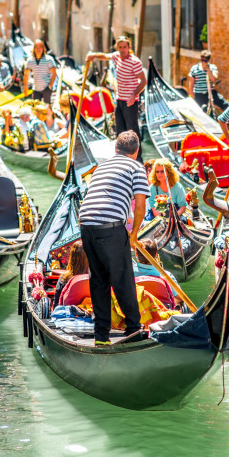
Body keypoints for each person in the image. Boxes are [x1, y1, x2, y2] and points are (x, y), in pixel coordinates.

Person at [78, 130, 150, 345]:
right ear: (136, 151)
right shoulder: (136, 167)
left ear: (115, 149)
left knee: (99, 280)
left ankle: (101, 336)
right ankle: (134, 331)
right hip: (109, 227)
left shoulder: (102, 167)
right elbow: (140, 206)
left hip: (86, 225)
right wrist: (135, 234)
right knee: (123, 279)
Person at [87, 37, 145, 137]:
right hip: (119, 99)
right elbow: (104, 56)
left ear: (129, 47)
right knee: (120, 130)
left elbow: (144, 81)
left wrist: (133, 95)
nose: (123, 50)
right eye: (120, 47)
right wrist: (93, 55)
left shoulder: (135, 62)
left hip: (130, 101)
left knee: (132, 130)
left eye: (125, 47)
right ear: (117, 48)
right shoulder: (117, 56)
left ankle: (137, 152)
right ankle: (122, 151)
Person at [188, 50, 229, 114]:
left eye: (205, 61)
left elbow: (213, 79)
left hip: (210, 93)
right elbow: (191, 83)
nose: (203, 62)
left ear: (209, 60)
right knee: (200, 112)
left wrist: (208, 69)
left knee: (225, 104)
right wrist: (192, 95)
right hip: (199, 95)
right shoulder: (194, 69)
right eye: (202, 60)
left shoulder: (212, 67)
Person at [54, 240, 89, 305]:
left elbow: (57, 303)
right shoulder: (98, 277)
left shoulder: (64, 278)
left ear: (72, 257)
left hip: (69, 313)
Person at [24, 39, 58, 104]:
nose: (38, 49)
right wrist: (25, 87)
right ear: (34, 49)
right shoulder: (30, 60)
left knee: (46, 108)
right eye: (36, 47)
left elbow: (54, 73)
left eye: (40, 47)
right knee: (36, 108)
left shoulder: (49, 60)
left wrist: (50, 85)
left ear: (43, 49)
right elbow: (26, 74)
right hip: (36, 88)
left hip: (46, 88)